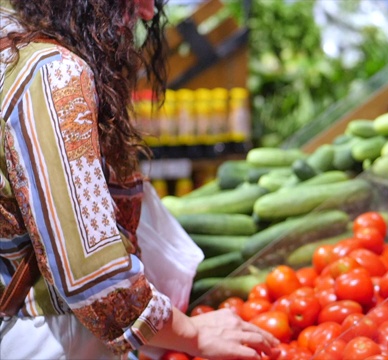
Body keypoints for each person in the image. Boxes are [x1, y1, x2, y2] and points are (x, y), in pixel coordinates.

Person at [0, 0, 279, 359]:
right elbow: (92, 274)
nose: (148, 12)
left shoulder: (14, 54)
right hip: (51, 341)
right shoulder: (52, 72)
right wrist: (192, 334)